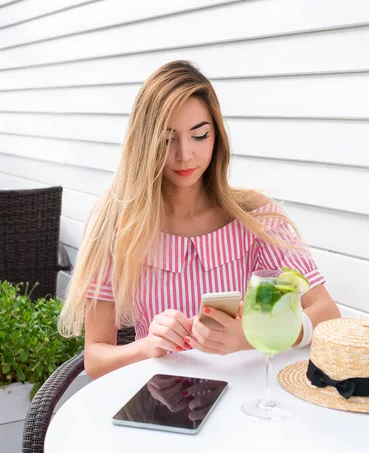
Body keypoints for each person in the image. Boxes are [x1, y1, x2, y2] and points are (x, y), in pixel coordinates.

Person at [58, 60, 340, 379]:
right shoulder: (115, 225)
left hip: (242, 402)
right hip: (156, 406)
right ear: (145, 143)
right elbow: (96, 358)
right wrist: (149, 346)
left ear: (216, 136)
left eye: (199, 136)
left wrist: (249, 337)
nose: (184, 155)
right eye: (167, 139)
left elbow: (327, 315)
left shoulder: (255, 217)